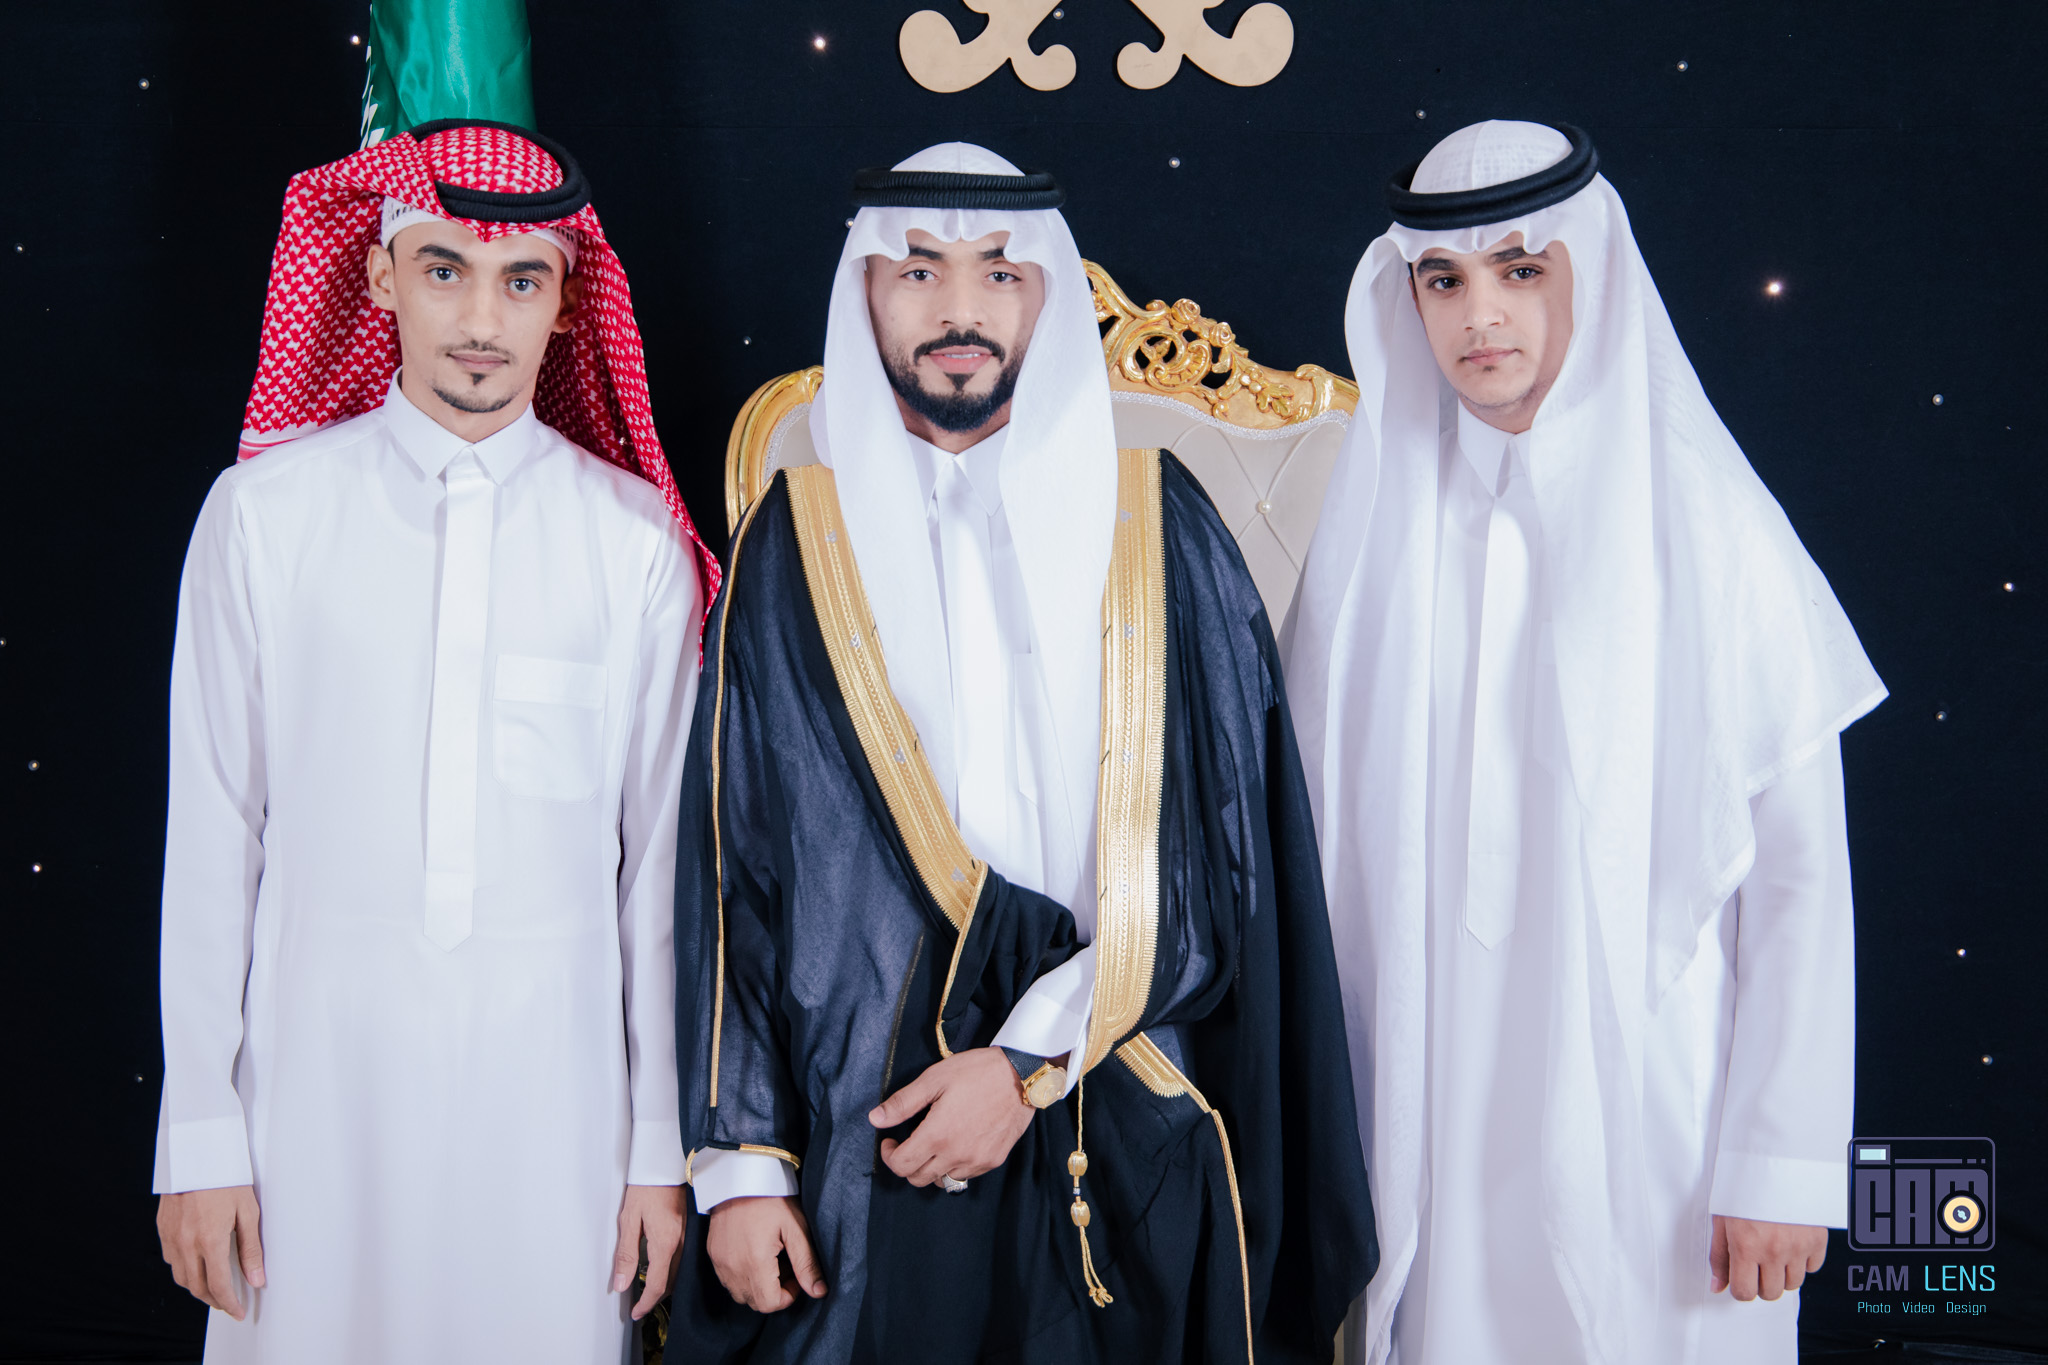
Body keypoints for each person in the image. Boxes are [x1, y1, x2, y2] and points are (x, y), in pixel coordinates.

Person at [668, 142, 1377, 1363]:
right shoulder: (792, 546)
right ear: (863, 292)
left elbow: (1224, 855)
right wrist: (740, 1167)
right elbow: (734, 873)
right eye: (918, 271)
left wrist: (1026, 1058)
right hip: (862, 1130)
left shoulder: (1159, 525)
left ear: (1047, 294)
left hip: (1120, 1091)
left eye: (999, 273)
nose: (960, 309)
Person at [1285, 120, 1887, 1365]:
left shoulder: (1710, 530)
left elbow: (1797, 879)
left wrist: (1776, 1160)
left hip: (1660, 1113)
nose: (1477, 315)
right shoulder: (1372, 535)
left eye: (1519, 270)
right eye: (1442, 280)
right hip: (1431, 1094)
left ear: (1590, 273)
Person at [152, 120, 719, 1363]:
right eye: (444, 270)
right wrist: (198, 1138)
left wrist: (655, 1155)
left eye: (521, 281)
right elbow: (212, 843)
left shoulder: (633, 543)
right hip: (305, 1109)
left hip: (556, 1121)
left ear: (565, 306)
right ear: (378, 279)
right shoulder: (263, 516)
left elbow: (659, 885)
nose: (479, 319)